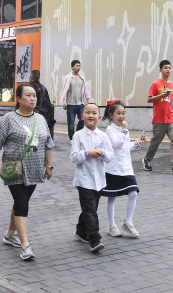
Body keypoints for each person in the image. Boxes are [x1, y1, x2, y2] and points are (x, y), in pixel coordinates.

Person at [0, 84, 54, 261]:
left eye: (34, 95)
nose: (33, 98)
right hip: (15, 169)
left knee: (21, 202)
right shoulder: (9, 119)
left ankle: (9, 235)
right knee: (22, 205)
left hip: (35, 170)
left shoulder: (40, 119)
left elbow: (48, 143)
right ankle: (25, 246)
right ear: (19, 98)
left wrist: (49, 166)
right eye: (28, 95)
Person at [70, 102, 112, 253]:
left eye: (94, 113)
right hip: (84, 179)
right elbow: (74, 157)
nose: (91, 115)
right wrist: (87, 153)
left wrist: (102, 153)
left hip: (99, 180)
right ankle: (95, 239)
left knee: (90, 208)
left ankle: (81, 231)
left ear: (99, 117)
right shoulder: (78, 136)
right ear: (82, 116)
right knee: (89, 209)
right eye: (88, 112)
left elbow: (110, 157)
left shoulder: (103, 136)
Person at [101, 101, 145, 238]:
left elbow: (125, 147)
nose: (121, 116)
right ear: (111, 115)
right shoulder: (110, 129)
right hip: (113, 169)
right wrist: (124, 130)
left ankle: (128, 222)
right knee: (112, 197)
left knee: (133, 193)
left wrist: (137, 142)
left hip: (126, 168)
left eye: (123, 113)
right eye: (118, 113)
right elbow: (115, 143)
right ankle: (112, 225)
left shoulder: (124, 130)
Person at [142, 60, 173, 175]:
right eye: (165, 68)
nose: (168, 70)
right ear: (160, 70)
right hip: (159, 119)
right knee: (155, 142)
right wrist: (161, 96)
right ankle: (147, 160)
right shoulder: (156, 84)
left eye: (169, 68)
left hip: (171, 119)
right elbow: (149, 99)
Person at [59, 60, 89, 139]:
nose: (78, 67)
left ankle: (77, 135)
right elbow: (64, 91)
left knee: (82, 120)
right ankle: (72, 138)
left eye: (79, 66)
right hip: (70, 104)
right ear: (72, 67)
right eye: (76, 66)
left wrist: (87, 101)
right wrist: (64, 102)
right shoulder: (67, 77)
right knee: (71, 123)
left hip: (80, 104)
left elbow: (86, 89)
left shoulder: (82, 78)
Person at [29, 70, 56, 142]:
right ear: (38, 78)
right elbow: (48, 104)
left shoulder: (29, 88)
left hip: (32, 116)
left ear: (31, 77)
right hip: (43, 116)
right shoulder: (43, 88)